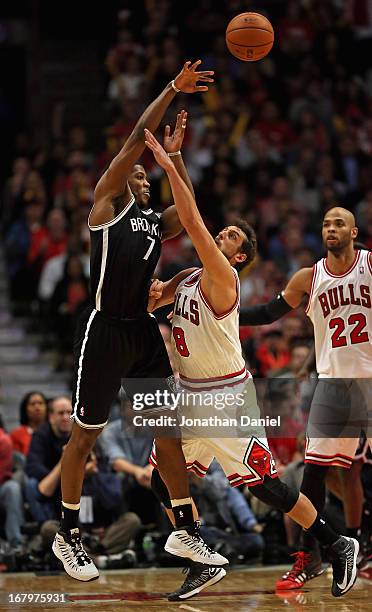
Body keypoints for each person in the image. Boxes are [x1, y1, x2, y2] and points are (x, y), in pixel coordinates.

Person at [144, 127, 359, 601]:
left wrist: (171, 166)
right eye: (225, 229)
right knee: (162, 475)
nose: (223, 233)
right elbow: (151, 298)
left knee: (264, 487)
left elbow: (192, 221)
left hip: (224, 396)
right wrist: (177, 159)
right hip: (188, 393)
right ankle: (199, 553)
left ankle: (336, 541)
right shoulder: (188, 275)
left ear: (239, 257)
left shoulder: (223, 276)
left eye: (233, 236)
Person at [52, 60, 218, 582]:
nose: (144, 179)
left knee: (166, 432)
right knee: (85, 436)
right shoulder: (106, 207)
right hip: (105, 332)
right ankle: (68, 534)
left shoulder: (154, 221)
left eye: (149, 177)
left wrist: (175, 161)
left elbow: (190, 214)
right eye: (140, 175)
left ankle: (186, 529)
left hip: (143, 332)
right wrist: (170, 90)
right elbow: (129, 147)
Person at [238, 207, 372, 589]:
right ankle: (310, 555)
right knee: (314, 470)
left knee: (352, 477)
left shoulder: (369, 265)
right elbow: (268, 312)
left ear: (353, 231)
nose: (331, 228)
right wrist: (225, 314)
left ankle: (363, 546)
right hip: (334, 384)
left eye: (339, 223)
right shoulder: (309, 277)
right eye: (326, 224)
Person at [10, 391, 48, 458]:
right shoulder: (16, 435)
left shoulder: (55, 432)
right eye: (32, 404)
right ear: (25, 409)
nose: (37, 407)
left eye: (40, 403)